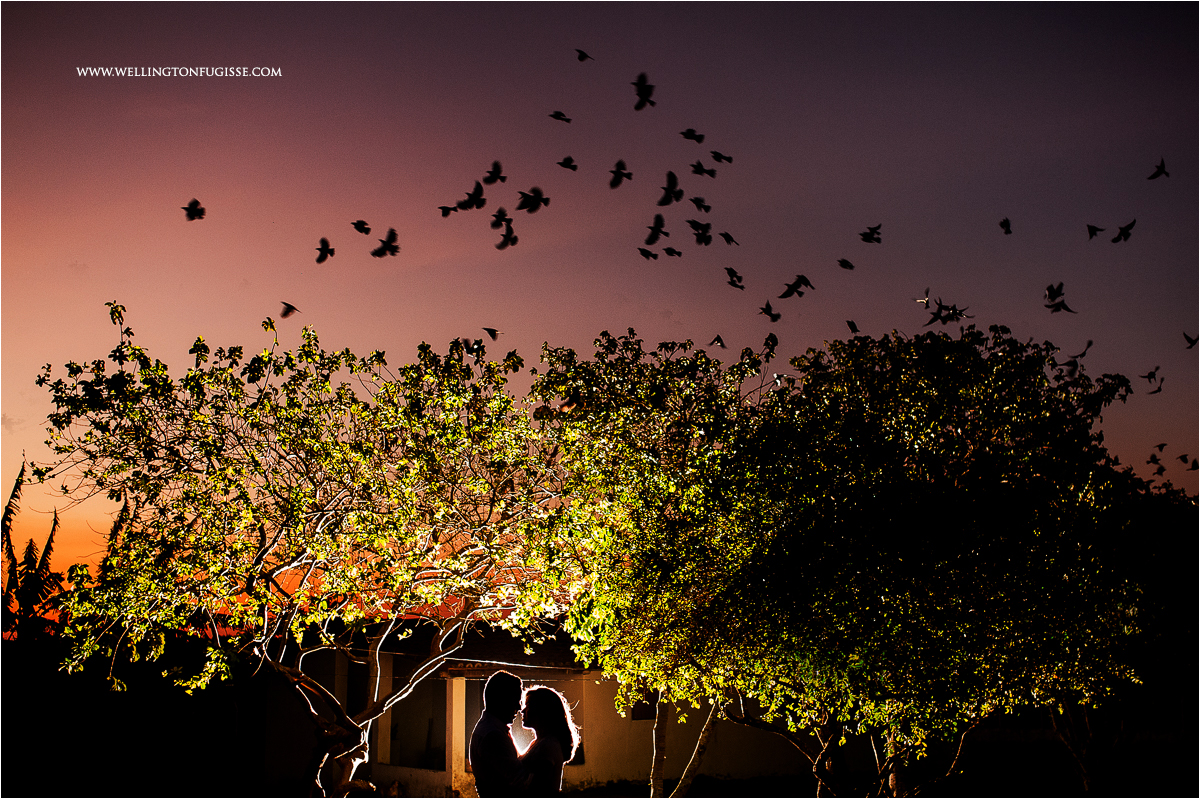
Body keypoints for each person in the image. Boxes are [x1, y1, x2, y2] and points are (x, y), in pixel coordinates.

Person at [513, 686, 581, 796]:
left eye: (528, 706)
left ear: (542, 710)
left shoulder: (548, 745)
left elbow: (537, 787)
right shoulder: (539, 743)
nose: (523, 711)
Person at [470, 670, 523, 796]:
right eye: (515, 700)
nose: (519, 708)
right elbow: (518, 779)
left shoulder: (491, 730)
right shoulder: (493, 736)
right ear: (501, 700)